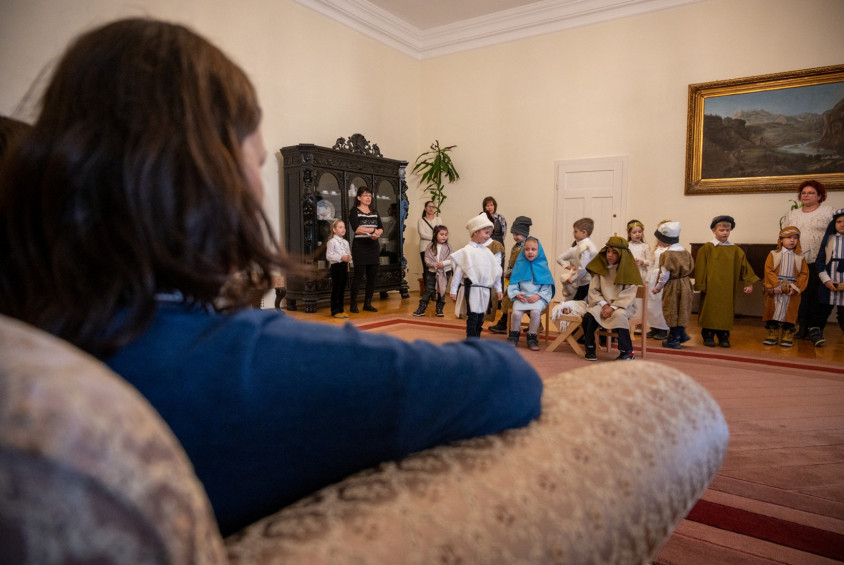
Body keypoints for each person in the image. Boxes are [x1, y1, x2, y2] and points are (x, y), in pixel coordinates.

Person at [0, 18, 543, 538]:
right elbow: (508, 379)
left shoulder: (32, 340)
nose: (258, 191)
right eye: (256, 164)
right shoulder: (246, 362)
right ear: (210, 181)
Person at [693, 215, 759, 348]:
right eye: (721, 230)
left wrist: (749, 282)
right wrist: (701, 284)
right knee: (710, 309)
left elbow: (744, 266)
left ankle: (723, 335)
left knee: (726, 311)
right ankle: (708, 334)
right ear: (714, 230)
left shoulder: (735, 250)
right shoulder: (707, 248)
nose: (725, 233)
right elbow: (700, 267)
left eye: (727, 230)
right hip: (711, 287)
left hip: (727, 287)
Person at [782, 180, 835, 340]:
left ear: (819, 196)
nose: (806, 195)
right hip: (797, 260)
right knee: (800, 295)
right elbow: (785, 234)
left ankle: (816, 328)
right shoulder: (792, 214)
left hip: (821, 261)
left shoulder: (829, 212)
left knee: (818, 295)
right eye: (803, 193)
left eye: (811, 193)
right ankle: (803, 327)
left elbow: (838, 232)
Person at [581, 236, 643, 361]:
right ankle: (590, 347)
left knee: (619, 315)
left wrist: (613, 307)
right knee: (589, 315)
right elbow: (594, 290)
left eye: (614, 252)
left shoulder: (629, 270)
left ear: (622, 255)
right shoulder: (600, 267)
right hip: (602, 304)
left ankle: (627, 352)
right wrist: (604, 305)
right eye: (608, 251)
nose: (610, 255)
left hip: (622, 305)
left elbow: (628, 294)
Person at [450, 213, 504, 338]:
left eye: (490, 233)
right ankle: (471, 339)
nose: (488, 236)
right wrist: (453, 289)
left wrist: (499, 288)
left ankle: (477, 337)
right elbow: (459, 271)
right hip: (472, 288)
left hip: (484, 289)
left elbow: (495, 270)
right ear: (475, 232)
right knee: (473, 315)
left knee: (481, 316)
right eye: (486, 232)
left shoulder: (487, 252)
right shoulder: (466, 251)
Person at [762, 226, 809, 347]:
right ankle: (773, 332)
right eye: (789, 237)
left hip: (791, 290)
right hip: (776, 289)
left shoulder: (800, 257)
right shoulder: (773, 254)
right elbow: (768, 270)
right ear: (781, 239)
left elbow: (804, 274)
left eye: (795, 238)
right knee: (773, 310)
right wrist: (776, 286)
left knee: (790, 312)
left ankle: (788, 333)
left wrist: (796, 287)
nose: (792, 240)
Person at [650, 222, 694, 350]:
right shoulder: (685, 252)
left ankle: (674, 339)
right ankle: (681, 333)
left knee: (672, 309)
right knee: (682, 309)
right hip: (685, 283)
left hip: (674, 284)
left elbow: (664, 275)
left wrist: (658, 287)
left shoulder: (667, 255)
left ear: (664, 241)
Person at [507, 236, 555, 351]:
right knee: (516, 314)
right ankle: (514, 335)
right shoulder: (519, 265)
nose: (530, 252)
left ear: (539, 251)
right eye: (527, 249)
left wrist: (538, 296)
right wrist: (517, 294)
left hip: (538, 298)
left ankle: (532, 336)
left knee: (535, 312)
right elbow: (513, 284)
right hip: (522, 298)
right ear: (523, 251)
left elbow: (547, 287)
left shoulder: (543, 266)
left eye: (533, 249)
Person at [811, 208, 844, 346]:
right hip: (830, 281)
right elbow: (820, 262)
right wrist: (826, 280)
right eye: (839, 222)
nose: (842, 224)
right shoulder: (829, 240)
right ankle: (816, 332)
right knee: (823, 309)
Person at [489, 216, 532, 334]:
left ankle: (504, 324)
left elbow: (522, 266)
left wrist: (509, 273)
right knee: (510, 300)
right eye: (513, 234)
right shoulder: (517, 246)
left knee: (509, 299)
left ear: (524, 233)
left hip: (522, 280)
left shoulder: (526, 248)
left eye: (517, 234)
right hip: (515, 279)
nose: (514, 237)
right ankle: (537, 324)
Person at [348, 185, 383, 313]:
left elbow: (381, 228)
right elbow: (357, 229)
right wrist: (373, 230)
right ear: (359, 197)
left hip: (373, 246)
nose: (368, 198)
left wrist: (377, 233)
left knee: (372, 277)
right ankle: (353, 304)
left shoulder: (374, 211)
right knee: (358, 276)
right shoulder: (354, 211)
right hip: (360, 247)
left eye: (369, 195)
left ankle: (367, 303)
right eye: (365, 195)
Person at [413, 224, 453, 317]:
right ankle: (421, 309)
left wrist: (443, 263)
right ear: (435, 234)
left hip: (445, 272)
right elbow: (427, 259)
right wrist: (435, 265)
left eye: (445, 235)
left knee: (442, 290)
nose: (444, 236)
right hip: (432, 272)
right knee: (428, 290)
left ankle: (439, 309)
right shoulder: (430, 246)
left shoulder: (448, 247)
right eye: (441, 234)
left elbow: (452, 259)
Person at [556, 218, 598, 302]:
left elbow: (583, 268)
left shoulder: (584, 247)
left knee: (576, 303)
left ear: (584, 232)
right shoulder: (587, 245)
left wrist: (573, 279)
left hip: (587, 281)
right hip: (586, 280)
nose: (573, 233)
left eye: (575, 231)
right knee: (579, 301)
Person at [644, 219, 671, 341]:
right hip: (653, 276)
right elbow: (651, 263)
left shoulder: (671, 249)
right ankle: (654, 327)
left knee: (661, 304)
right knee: (652, 304)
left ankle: (663, 328)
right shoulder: (657, 248)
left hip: (663, 277)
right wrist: (647, 278)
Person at [627, 219, 651, 335]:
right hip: (630, 274)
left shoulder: (645, 246)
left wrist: (642, 262)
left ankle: (640, 323)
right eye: (634, 232)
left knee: (640, 299)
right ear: (629, 234)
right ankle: (629, 321)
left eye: (639, 232)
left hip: (641, 274)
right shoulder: (627, 246)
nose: (637, 234)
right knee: (630, 297)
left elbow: (650, 261)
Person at [326, 219, 352, 319]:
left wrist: (349, 258)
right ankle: (335, 311)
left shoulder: (345, 242)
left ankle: (341, 309)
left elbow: (348, 253)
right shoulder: (331, 242)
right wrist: (341, 257)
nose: (343, 229)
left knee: (342, 289)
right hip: (336, 267)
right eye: (340, 227)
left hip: (344, 266)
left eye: (344, 227)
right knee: (336, 289)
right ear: (334, 230)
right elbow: (329, 256)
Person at [417, 200, 442, 274]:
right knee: (426, 269)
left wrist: (437, 237)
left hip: (436, 247)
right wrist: (435, 237)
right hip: (424, 248)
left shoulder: (438, 219)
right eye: (429, 206)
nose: (431, 208)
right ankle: (426, 282)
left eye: (433, 207)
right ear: (425, 208)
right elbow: (422, 234)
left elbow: (440, 232)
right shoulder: (421, 220)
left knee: (436, 268)